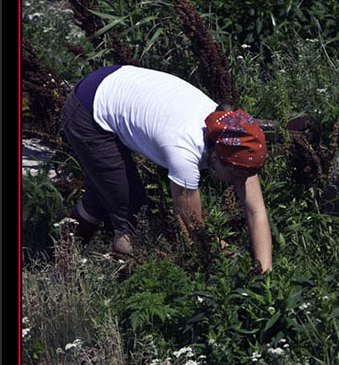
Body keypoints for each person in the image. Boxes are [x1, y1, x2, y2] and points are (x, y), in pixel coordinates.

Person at [59, 65, 272, 273]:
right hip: (89, 112)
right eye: (236, 175)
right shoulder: (185, 152)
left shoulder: (236, 138)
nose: (241, 180)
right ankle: (120, 290)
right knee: (134, 222)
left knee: (103, 197)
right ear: (216, 157)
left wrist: (265, 273)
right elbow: (191, 228)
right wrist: (235, 261)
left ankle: (60, 265)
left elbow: (256, 211)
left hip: (113, 86)